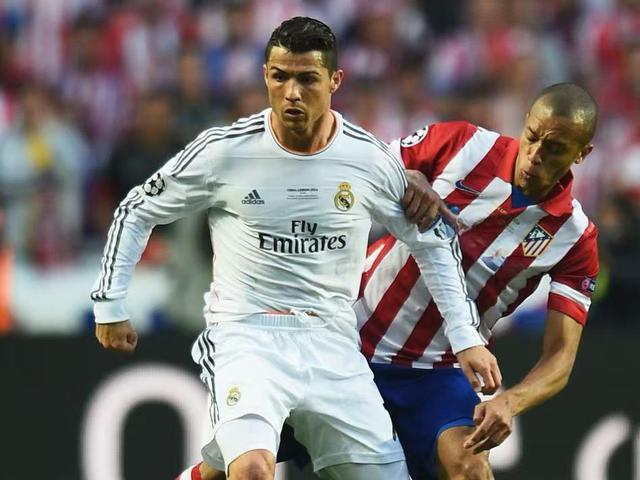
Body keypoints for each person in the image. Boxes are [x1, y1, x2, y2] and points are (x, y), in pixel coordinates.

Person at [92, 17, 498, 480]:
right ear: (265, 75)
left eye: (307, 79)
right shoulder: (226, 151)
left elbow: (432, 242)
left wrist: (465, 337)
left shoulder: (367, 159)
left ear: (335, 81)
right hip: (246, 336)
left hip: (334, 342)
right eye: (280, 77)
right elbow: (138, 208)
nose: (291, 93)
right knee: (252, 469)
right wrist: (110, 302)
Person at [357, 82, 599, 479]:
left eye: (555, 148)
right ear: (526, 121)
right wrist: (406, 176)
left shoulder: (575, 237)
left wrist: (510, 402)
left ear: (581, 154)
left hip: (437, 370)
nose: (535, 155)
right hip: (352, 333)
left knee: (470, 469)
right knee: (249, 453)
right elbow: (358, 166)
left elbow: (560, 356)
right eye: (533, 136)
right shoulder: (462, 143)